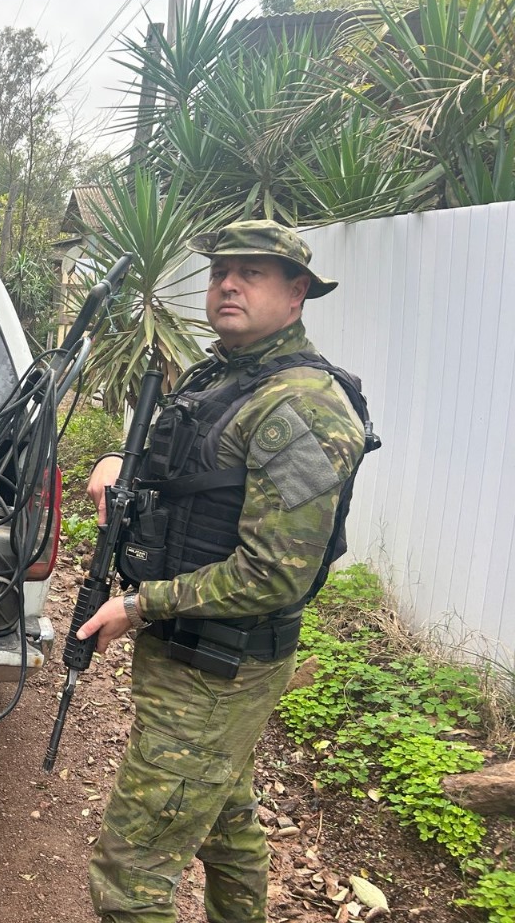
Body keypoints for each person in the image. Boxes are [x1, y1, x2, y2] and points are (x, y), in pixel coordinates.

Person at [76, 220, 373, 922]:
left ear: (297, 293)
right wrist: (121, 463)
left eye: (253, 273)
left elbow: (276, 575)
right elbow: (188, 475)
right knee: (226, 824)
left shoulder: (299, 403)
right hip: (194, 660)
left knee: (130, 875)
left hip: (218, 668)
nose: (228, 284)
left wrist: (140, 607)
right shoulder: (226, 375)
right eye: (219, 273)